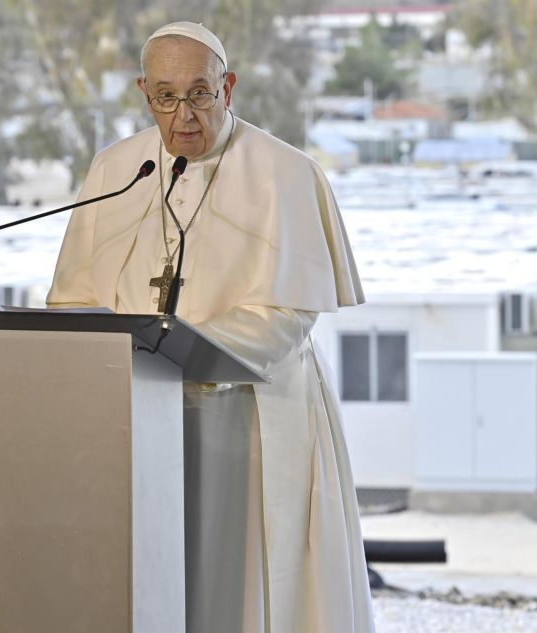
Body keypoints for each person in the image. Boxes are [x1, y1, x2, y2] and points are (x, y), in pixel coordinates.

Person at [46, 21, 373, 633]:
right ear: (144, 93)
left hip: (252, 414)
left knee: (241, 585)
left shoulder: (285, 173)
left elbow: (289, 313)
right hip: (132, 419)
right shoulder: (117, 169)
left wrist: (181, 352)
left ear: (228, 86)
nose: (184, 115)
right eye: (166, 97)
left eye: (200, 93)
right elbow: (75, 301)